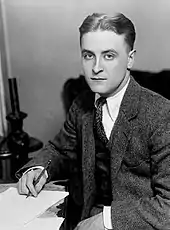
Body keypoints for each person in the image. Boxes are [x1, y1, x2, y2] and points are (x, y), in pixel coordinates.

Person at [16, 12, 170, 230]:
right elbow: (60, 150)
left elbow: (168, 206)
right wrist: (39, 168)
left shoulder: (161, 114)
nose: (96, 67)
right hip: (83, 218)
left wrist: (107, 221)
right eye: (88, 55)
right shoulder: (81, 104)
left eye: (108, 56)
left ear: (130, 58)